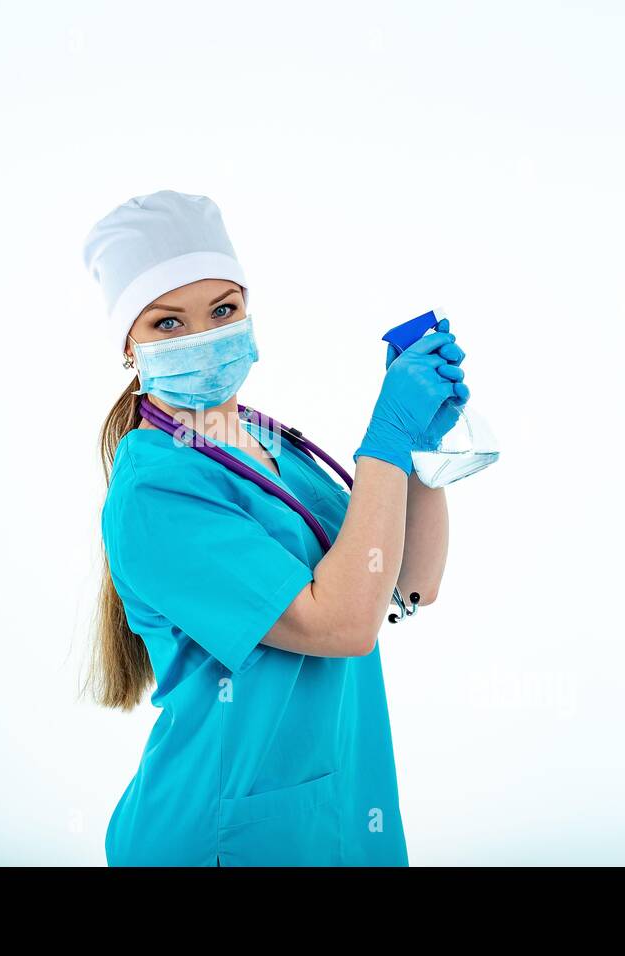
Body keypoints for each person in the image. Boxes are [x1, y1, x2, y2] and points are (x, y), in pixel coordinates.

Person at [81, 189, 467, 866]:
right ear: (127, 346)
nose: (204, 337)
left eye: (223, 309)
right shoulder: (154, 492)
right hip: (224, 833)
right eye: (168, 324)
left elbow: (408, 584)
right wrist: (384, 439)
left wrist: (415, 457)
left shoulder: (263, 439)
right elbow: (342, 623)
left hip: (339, 805)